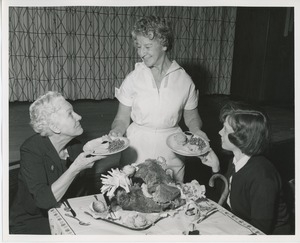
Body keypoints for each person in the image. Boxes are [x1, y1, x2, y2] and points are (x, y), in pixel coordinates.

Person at [109, 15, 208, 183]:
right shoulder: (133, 78)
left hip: (171, 149)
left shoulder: (184, 80)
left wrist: (197, 132)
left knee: (171, 200)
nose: (141, 53)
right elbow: (121, 117)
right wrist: (116, 132)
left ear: (164, 44)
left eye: (147, 46)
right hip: (137, 148)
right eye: (138, 46)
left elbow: (191, 116)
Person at [9, 91, 105, 234]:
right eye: (70, 114)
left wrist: (103, 145)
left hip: (66, 211)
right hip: (33, 221)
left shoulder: (76, 146)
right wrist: (75, 168)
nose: (79, 116)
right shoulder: (31, 150)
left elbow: (82, 190)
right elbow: (43, 200)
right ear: (55, 127)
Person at [199, 101, 291, 234]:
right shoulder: (237, 160)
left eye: (225, 129)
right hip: (241, 226)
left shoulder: (262, 177)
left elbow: (258, 230)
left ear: (241, 138)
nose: (219, 132)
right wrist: (216, 167)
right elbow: (227, 195)